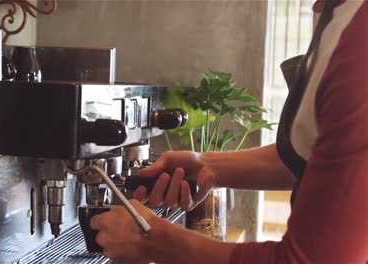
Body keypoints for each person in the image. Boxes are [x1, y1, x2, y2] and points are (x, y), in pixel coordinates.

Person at [89, 0, 368, 263]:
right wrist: (210, 167)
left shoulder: (357, 45)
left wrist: (154, 242)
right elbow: (319, 156)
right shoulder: (340, 16)